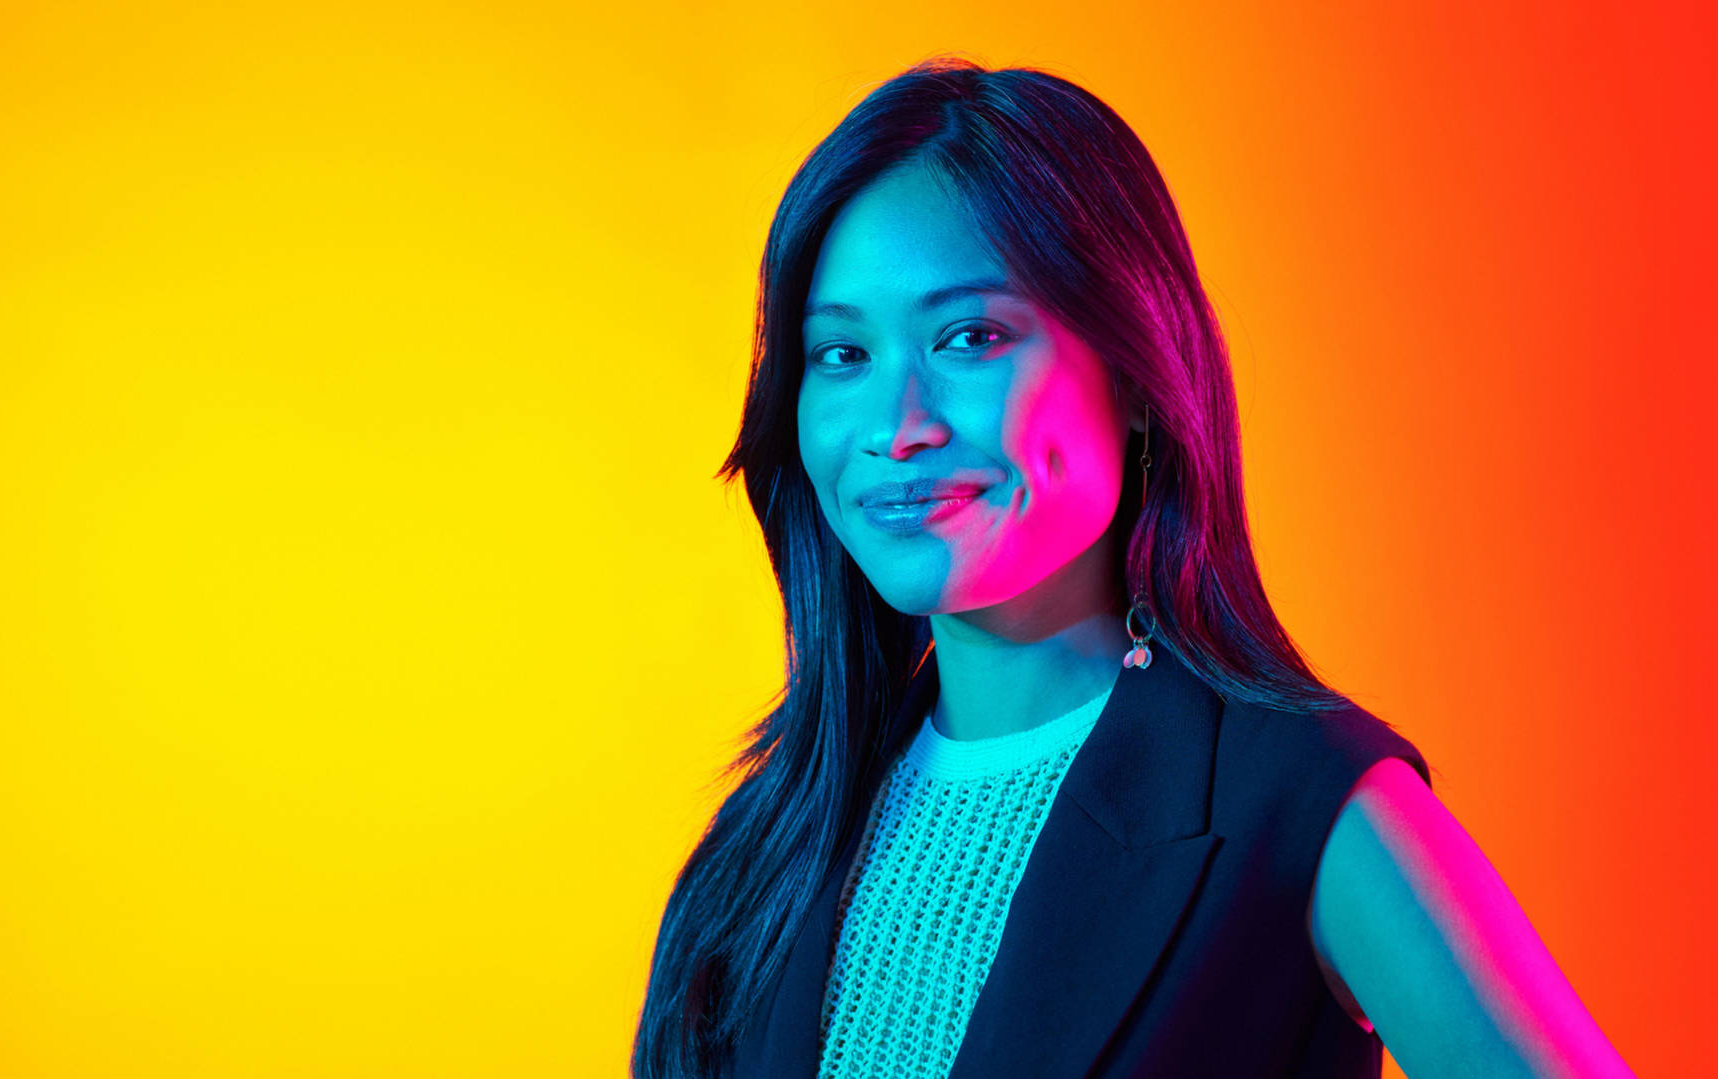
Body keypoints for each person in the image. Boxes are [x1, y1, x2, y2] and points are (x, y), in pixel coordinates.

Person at [633, 56, 1635, 1078]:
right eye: (841, 355)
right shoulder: (761, 848)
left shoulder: (1307, 802)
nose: (898, 427)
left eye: (971, 337)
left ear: (1140, 374)